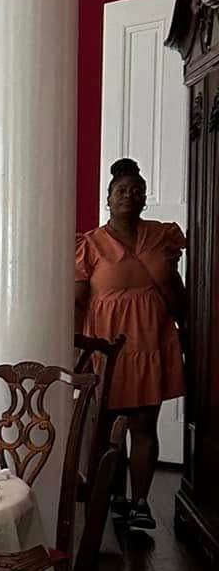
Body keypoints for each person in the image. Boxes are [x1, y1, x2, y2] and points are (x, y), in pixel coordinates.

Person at [74, 158, 185, 532]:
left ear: (145, 197)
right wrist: (75, 348)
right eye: (121, 190)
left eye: (137, 190)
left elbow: (175, 287)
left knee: (144, 423)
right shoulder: (90, 244)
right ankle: (114, 497)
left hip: (151, 341)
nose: (129, 196)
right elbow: (77, 300)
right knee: (108, 427)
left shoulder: (161, 236)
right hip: (108, 346)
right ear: (108, 198)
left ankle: (140, 502)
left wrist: (189, 328)